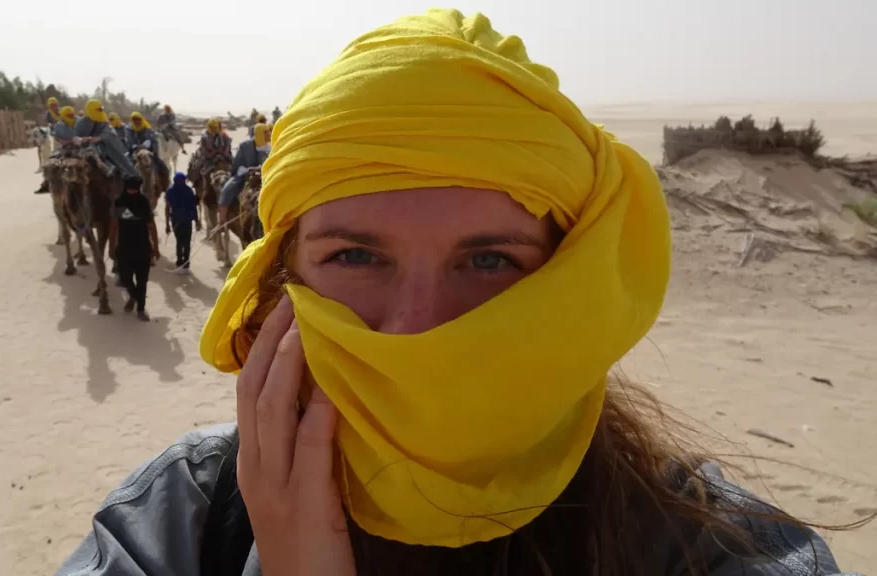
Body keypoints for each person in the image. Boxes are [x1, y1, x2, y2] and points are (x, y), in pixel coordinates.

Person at [56, 9, 860, 576]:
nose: (416, 330)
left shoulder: (719, 551)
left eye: (489, 263)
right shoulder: (184, 522)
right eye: (355, 255)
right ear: (282, 276)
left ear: (568, 284)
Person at [109, 174, 159, 322]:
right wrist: (111, 247)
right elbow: (113, 226)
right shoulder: (118, 203)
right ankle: (133, 295)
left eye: (134, 190)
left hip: (143, 247)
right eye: (130, 189)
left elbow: (151, 226)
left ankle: (141, 309)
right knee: (125, 278)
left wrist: (156, 247)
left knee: (142, 281)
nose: (132, 192)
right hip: (124, 247)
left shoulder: (144, 202)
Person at [218, 122, 270, 229]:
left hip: (266, 176)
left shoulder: (271, 146)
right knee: (227, 189)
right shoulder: (245, 146)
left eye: (268, 131)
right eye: (265, 132)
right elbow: (237, 165)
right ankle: (221, 221)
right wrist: (248, 170)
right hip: (245, 175)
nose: (269, 134)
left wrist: (261, 169)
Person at [73, 98, 138, 177]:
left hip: (103, 144)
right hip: (87, 147)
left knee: (117, 153)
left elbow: (109, 132)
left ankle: (130, 173)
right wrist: (81, 140)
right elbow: (75, 137)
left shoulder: (102, 120)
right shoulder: (81, 123)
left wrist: (98, 138)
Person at [34, 106, 78, 194]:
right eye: (68, 115)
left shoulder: (80, 122)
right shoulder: (59, 126)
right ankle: (46, 185)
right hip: (65, 149)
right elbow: (56, 137)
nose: (70, 117)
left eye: (71, 115)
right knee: (50, 164)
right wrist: (66, 141)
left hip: (80, 148)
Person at [165, 171, 199, 271]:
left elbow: (167, 208)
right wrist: (197, 221)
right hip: (186, 220)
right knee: (185, 242)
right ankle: (185, 262)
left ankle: (181, 261)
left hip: (177, 220)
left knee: (180, 241)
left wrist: (167, 224)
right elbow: (194, 207)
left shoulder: (170, 191)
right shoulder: (188, 190)